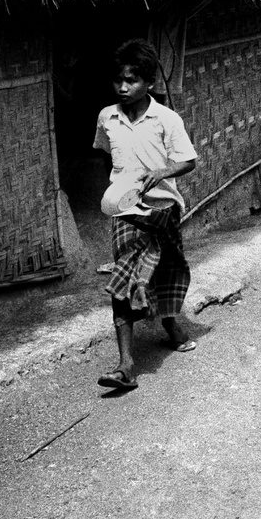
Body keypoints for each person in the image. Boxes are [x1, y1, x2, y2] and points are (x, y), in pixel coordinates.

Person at [92, 39, 198, 391]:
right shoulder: (107, 117)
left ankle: (170, 325)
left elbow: (189, 160)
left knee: (164, 270)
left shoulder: (166, 119)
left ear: (148, 83)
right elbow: (105, 155)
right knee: (122, 278)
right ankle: (126, 365)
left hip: (162, 208)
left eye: (132, 80)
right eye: (119, 80)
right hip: (126, 211)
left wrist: (163, 173)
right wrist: (119, 189)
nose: (123, 87)